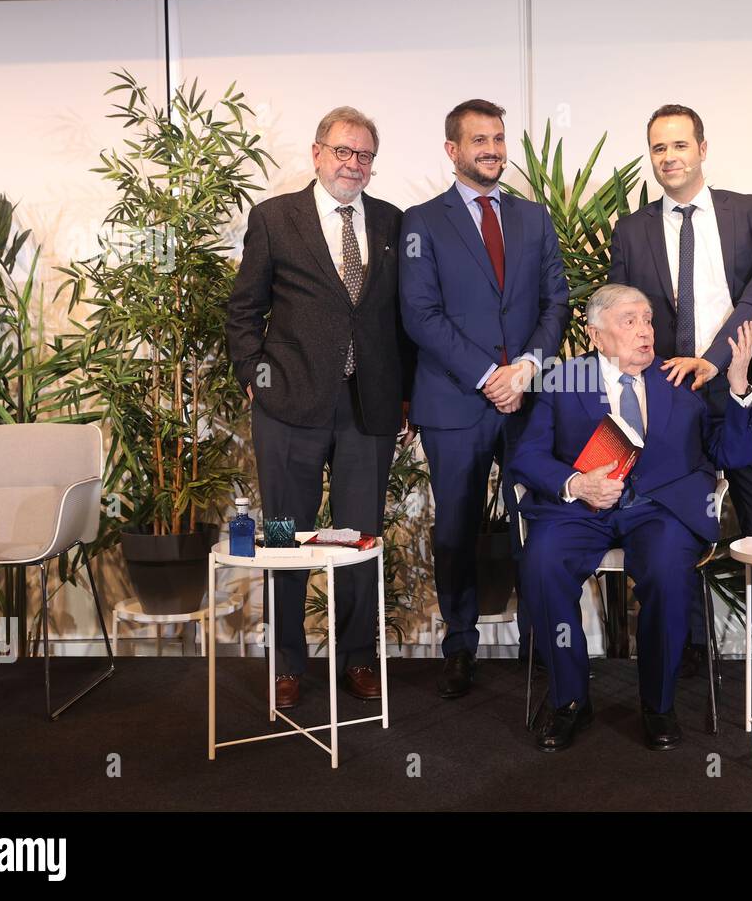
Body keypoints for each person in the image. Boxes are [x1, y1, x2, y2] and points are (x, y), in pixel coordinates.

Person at [510, 284, 752, 752]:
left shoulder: (677, 380)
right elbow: (528, 457)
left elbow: (733, 453)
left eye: (647, 320)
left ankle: (658, 704)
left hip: (659, 511)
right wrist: (576, 484)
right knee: (541, 563)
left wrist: (740, 385)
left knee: (667, 571)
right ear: (597, 334)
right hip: (583, 509)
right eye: (630, 321)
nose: (646, 332)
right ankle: (569, 700)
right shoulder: (566, 380)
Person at [609, 104, 752, 682]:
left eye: (679, 146)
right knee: (681, 511)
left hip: (739, 383)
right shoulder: (633, 229)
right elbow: (622, 314)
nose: (669, 158)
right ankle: (689, 639)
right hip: (669, 393)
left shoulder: (747, 213)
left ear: (702, 148)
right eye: (658, 148)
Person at [226, 106, 415, 709]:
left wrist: (405, 393)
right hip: (287, 411)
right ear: (316, 153)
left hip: (369, 411)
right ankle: (286, 662)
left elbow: (401, 320)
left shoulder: (390, 222)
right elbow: (244, 311)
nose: (352, 165)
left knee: (360, 540)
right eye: (342, 152)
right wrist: (257, 378)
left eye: (363, 156)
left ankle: (359, 657)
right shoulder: (274, 217)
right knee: (284, 538)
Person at [400, 99, 570, 699]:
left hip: (528, 399)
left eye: (498, 138)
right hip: (455, 401)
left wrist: (524, 367)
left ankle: (539, 643)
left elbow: (557, 304)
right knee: (458, 525)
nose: (492, 149)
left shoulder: (534, 218)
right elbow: (420, 315)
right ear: (453, 150)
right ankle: (460, 645)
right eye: (479, 140)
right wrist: (486, 374)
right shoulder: (422, 222)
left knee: (538, 523)